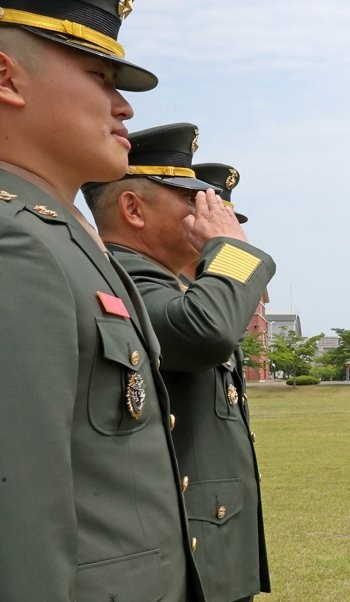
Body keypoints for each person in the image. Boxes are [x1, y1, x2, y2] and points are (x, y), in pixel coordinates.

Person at [0, 0, 204, 599]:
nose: (125, 109)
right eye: (99, 76)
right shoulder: (16, 243)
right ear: (6, 78)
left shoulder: (59, 236)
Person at [83, 123, 274, 601]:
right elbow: (205, 331)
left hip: (209, 544)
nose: (207, 214)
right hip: (177, 551)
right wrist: (233, 253)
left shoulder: (165, 284)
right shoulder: (122, 278)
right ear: (133, 209)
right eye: (192, 201)